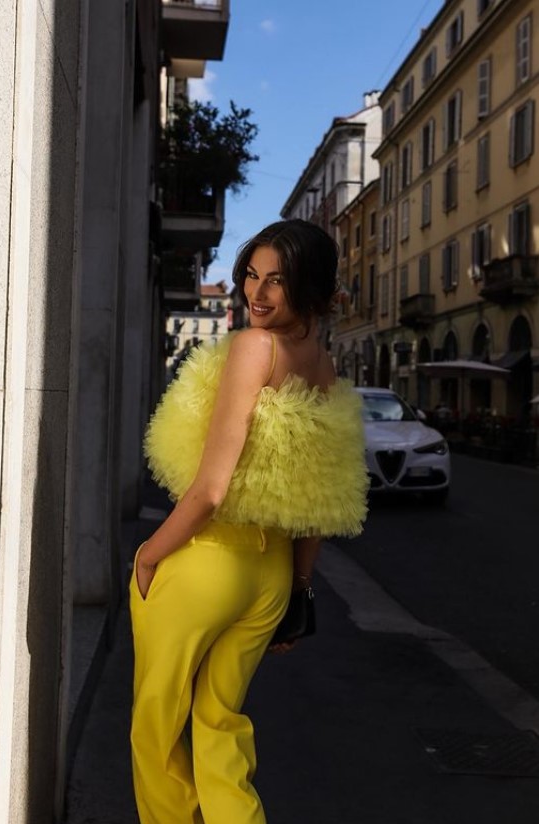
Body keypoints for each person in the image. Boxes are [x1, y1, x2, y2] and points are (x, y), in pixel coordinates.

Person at [130, 219, 369, 824]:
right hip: (271, 573)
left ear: (308, 286)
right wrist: (299, 588)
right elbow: (319, 500)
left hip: (210, 561)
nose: (257, 294)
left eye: (277, 281)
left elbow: (211, 489)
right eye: (252, 276)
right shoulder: (324, 366)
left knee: (156, 726)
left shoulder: (253, 347)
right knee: (220, 725)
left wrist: (149, 554)